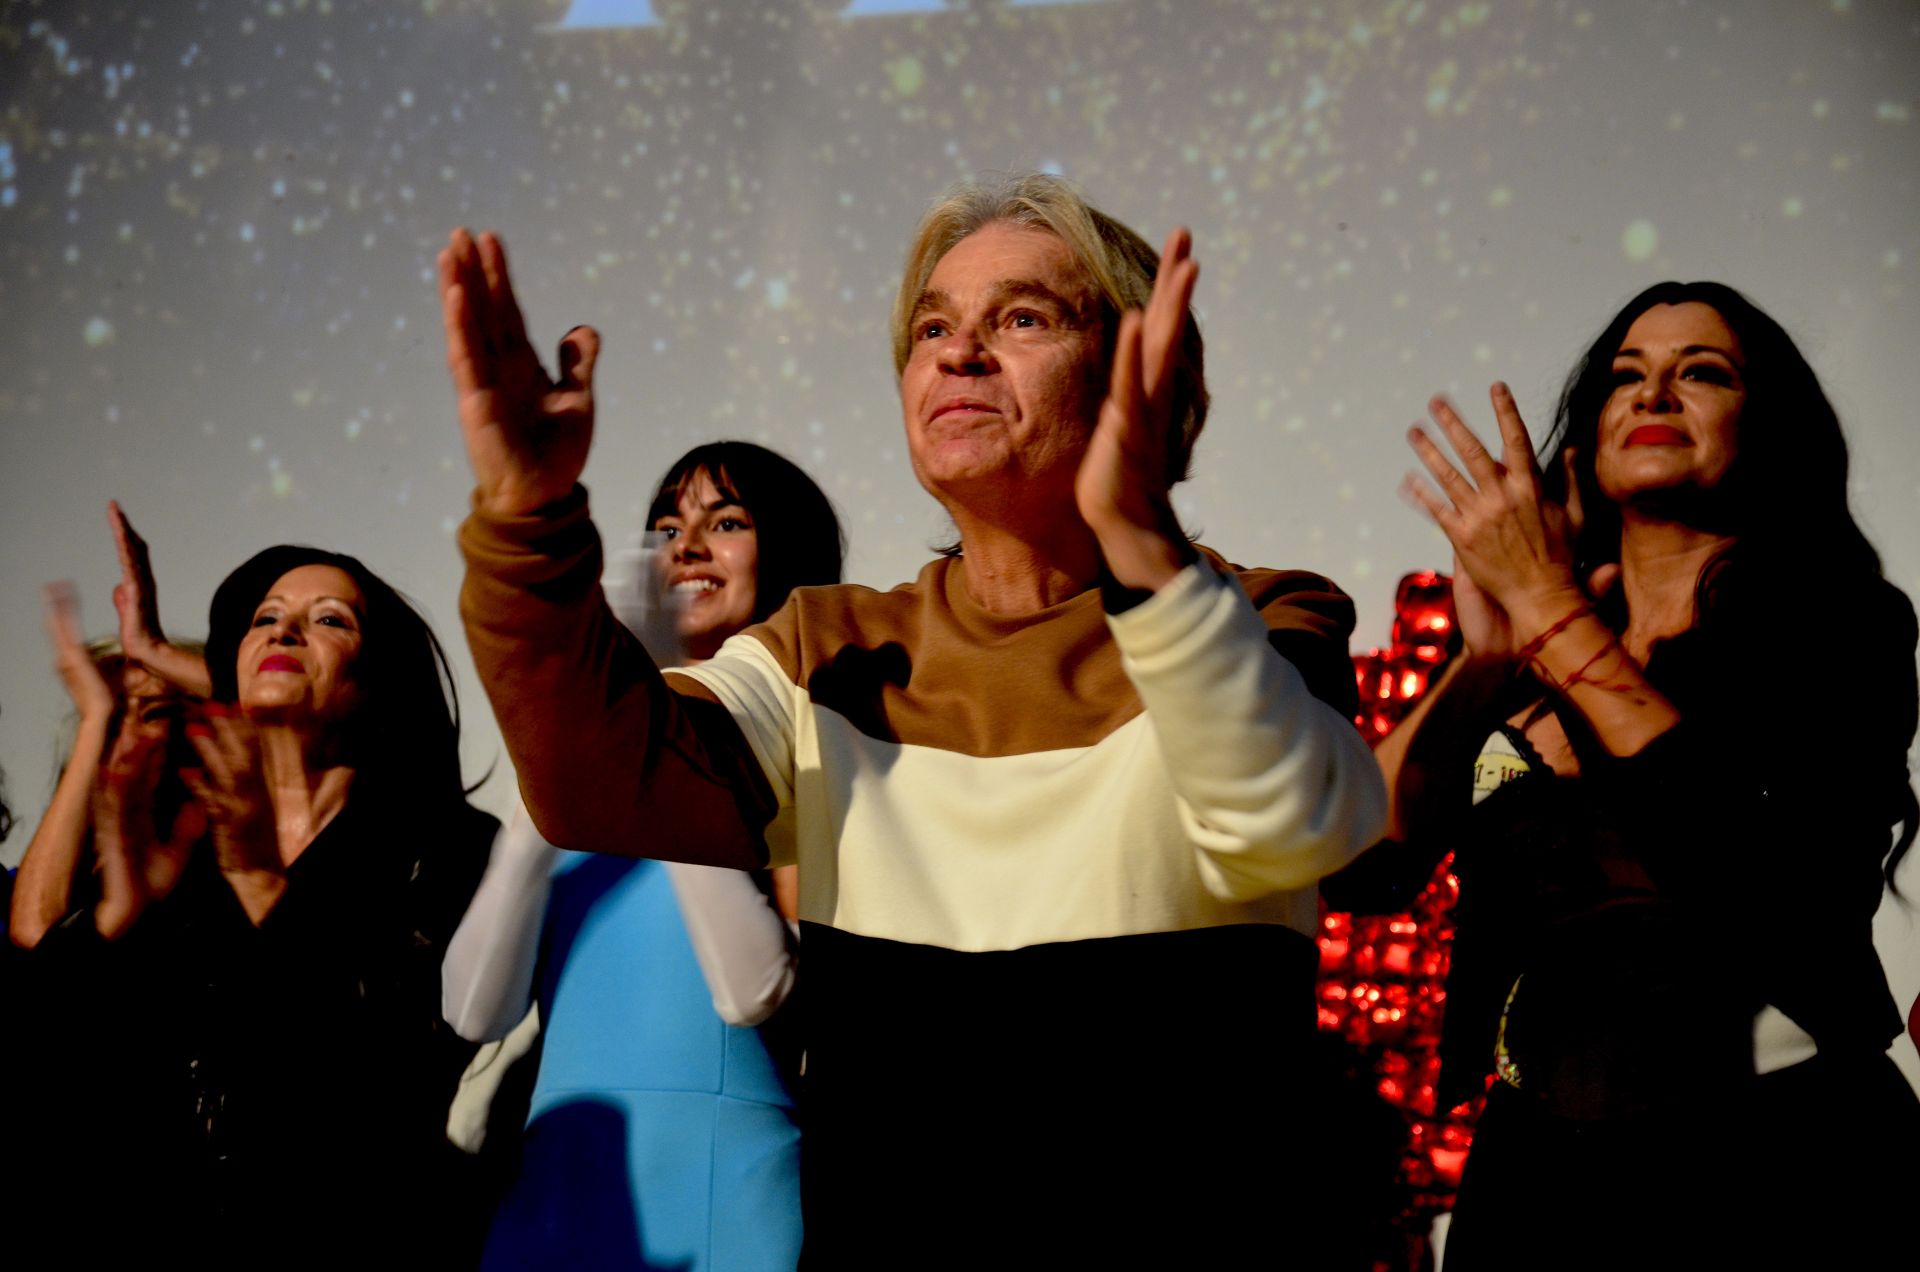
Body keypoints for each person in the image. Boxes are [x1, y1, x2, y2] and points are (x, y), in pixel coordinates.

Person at [440, 173, 1387, 1263]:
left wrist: (1145, 549)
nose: (959, 352)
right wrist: (525, 517)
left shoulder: (1261, 612)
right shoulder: (823, 649)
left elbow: (1297, 826)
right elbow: (602, 778)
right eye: (934, 326)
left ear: (1144, 373)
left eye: (1022, 318)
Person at [1385, 282, 1920, 1268]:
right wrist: (1479, 670)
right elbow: (1361, 869)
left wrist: (1550, 611)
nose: (1655, 393)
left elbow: (1755, 875)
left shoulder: (1843, 624)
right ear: (1587, 435)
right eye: (1626, 376)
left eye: (1701, 373)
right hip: (1537, 1185)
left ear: (1770, 428)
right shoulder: (1535, 640)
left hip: (1778, 1168)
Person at [8, 530, 495, 1266]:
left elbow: (398, 1078)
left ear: (382, 682)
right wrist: (110, 927)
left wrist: (264, 884)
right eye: (265, 617)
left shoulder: (445, 849)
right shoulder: (184, 848)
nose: (284, 630)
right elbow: (49, 1056)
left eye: (331, 618)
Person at [442, 441, 841, 1270]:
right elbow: (475, 1012)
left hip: (724, 1194)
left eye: (726, 521)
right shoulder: (578, 784)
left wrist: (658, 701)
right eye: (667, 524)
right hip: (551, 1200)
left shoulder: (819, 757)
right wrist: (568, 742)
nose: (684, 546)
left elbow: (755, 988)